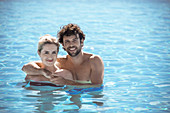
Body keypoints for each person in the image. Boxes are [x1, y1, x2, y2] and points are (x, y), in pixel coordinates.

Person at [22, 24, 104, 85]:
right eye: (67, 41)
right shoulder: (60, 61)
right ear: (63, 45)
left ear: (81, 41)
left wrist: (66, 82)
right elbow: (26, 68)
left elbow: (97, 87)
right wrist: (42, 71)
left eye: (74, 40)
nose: (71, 45)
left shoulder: (93, 60)